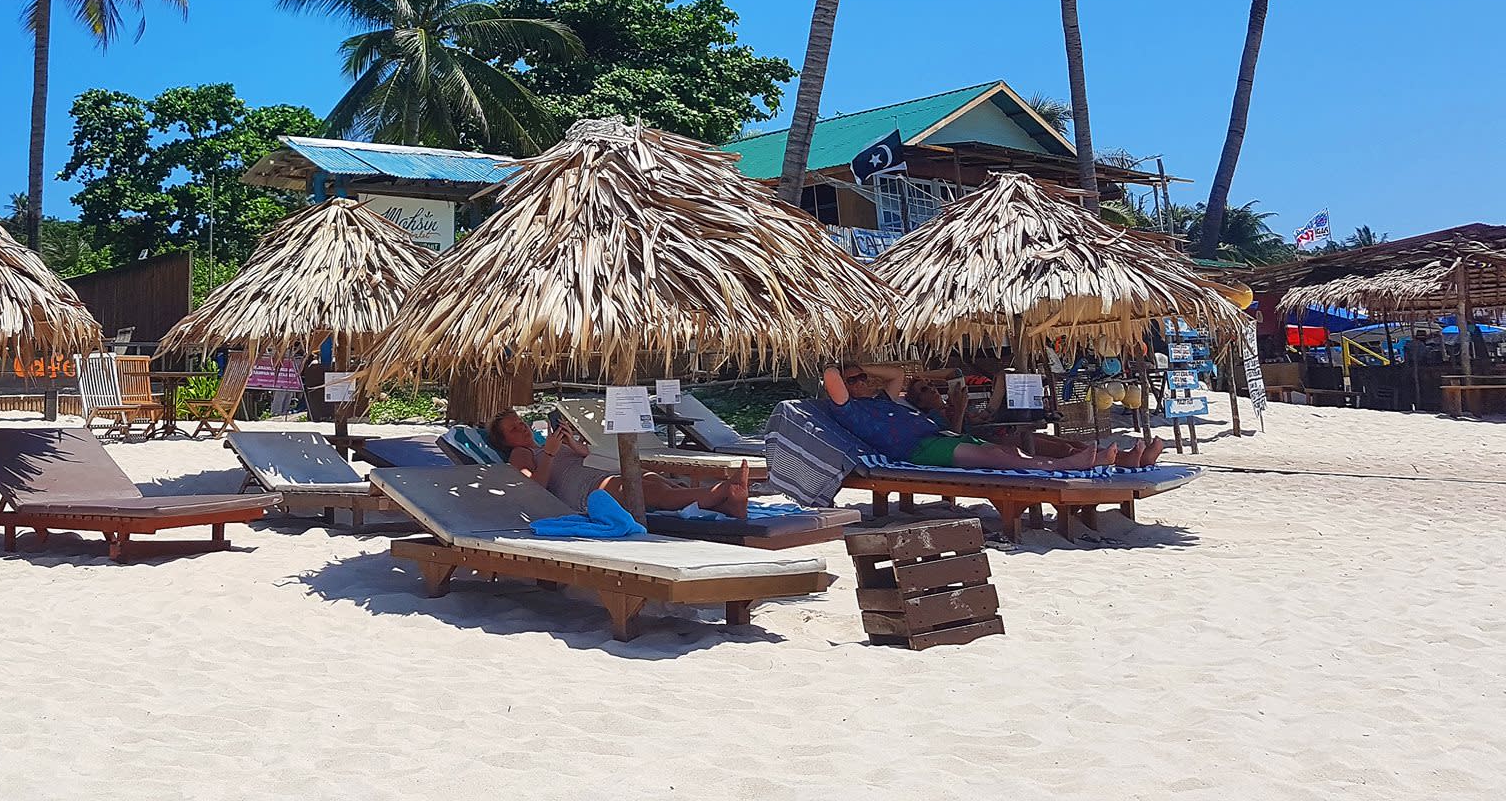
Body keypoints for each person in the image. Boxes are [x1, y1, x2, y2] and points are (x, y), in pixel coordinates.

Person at [824, 365, 1162, 470]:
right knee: (1001, 454)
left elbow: (896, 373)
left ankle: (1121, 463)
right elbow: (834, 386)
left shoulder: (886, 400)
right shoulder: (852, 410)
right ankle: (1067, 467)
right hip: (919, 450)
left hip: (942, 441)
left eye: (863, 377)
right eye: (855, 380)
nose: (864, 381)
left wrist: (860, 366)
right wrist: (835, 367)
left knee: (1016, 450)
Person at [486, 410, 751, 518]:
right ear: (506, 441)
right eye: (513, 429)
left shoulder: (548, 442)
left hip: (600, 472)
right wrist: (551, 454)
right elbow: (533, 488)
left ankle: (730, 508)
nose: (521, 428)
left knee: (655, 480)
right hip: (586, 490)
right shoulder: (520, 454)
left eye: (520, 422)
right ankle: (723, 491)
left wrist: (576, 447)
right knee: (650, 492)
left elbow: (589, 455)